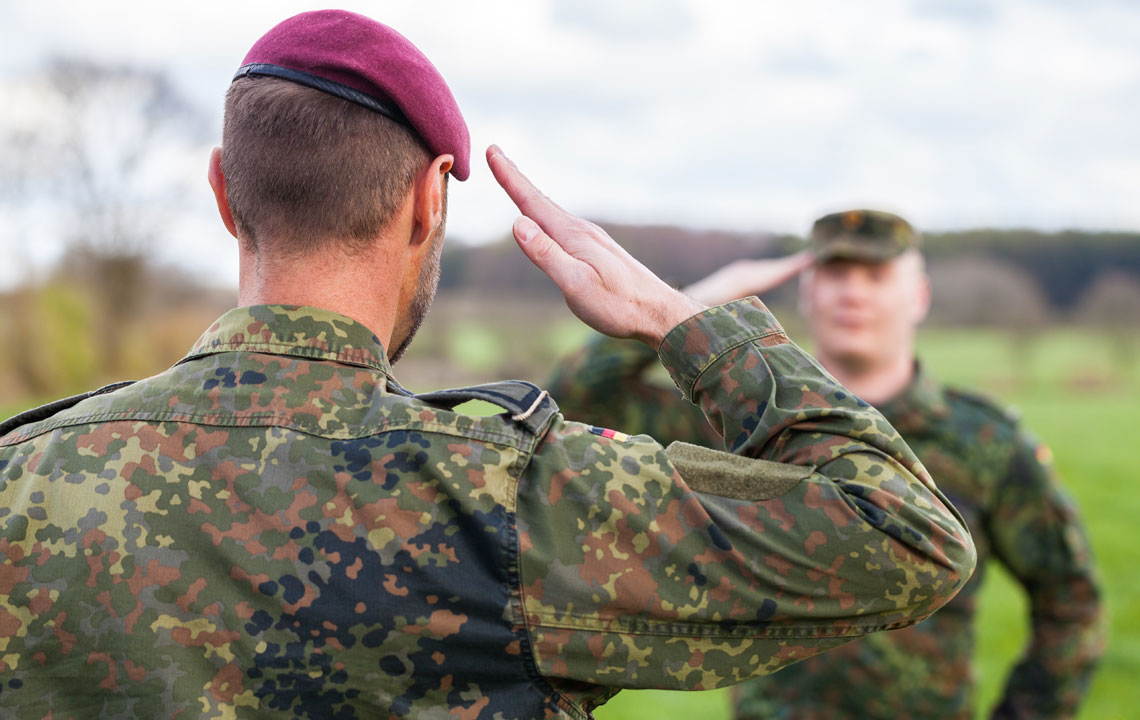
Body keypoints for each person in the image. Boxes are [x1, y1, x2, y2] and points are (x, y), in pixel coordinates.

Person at [0, 12, 975, 719]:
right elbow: (905, 536)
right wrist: (689, 323)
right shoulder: (513, 498)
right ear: (429, 203)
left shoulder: (21, 481)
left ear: (222, 192)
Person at [548, 209, 1104, 719]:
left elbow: (1071, 598)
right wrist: (690, 309)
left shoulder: (984, 440)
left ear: (920, 296)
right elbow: (578, 399)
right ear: (807, 292)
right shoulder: (736, 420)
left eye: (876, 275)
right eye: (835, 273)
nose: (853, 293)